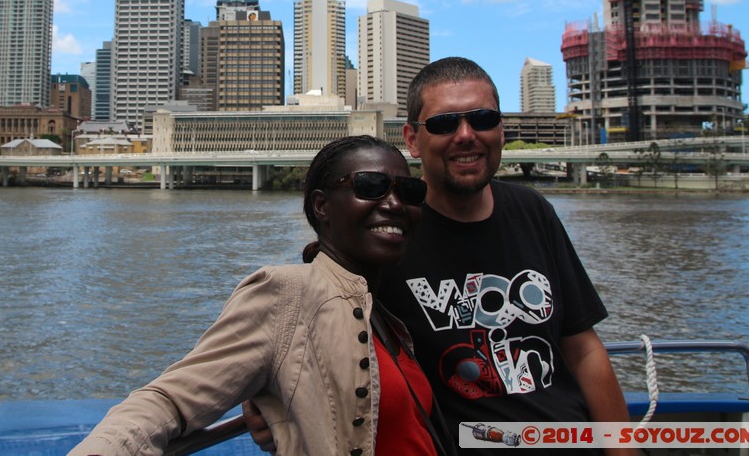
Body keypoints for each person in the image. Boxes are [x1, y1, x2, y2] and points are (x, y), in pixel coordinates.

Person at [247, 57, 632, 455]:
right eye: (444, 123)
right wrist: (268, 387)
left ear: (500, 130)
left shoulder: (533, 211)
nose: (466, 135)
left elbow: (583, 349)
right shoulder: (386, 232)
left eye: (482, 119)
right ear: (412, 139)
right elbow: (309, 325)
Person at [69, 135, 443, 456]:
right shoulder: (286, 294)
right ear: (322, 205)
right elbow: (170, 400)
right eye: (370, 186)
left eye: (408, 192)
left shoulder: (383, 312)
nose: (394, 203)